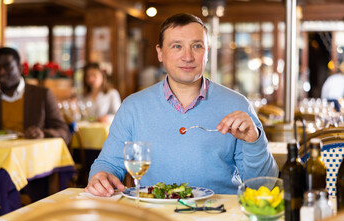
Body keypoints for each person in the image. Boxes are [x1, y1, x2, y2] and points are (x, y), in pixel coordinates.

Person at [85, 13, 278, 197]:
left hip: (219, 218)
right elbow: (108, 164)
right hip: (156, 217)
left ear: (207, 52)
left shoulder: (237, 105)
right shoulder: (133, 107)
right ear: (160, 53)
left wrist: (254, 141)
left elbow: (264, 185)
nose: (188, 56)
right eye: (177, 46)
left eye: (197, 46)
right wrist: (101, 176)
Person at [0, 47, 71, 145]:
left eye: (7, 66)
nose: (1, 72)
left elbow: (64, 132)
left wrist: (43, 134)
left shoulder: (42, 95)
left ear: (20, 68)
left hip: (33, 155)